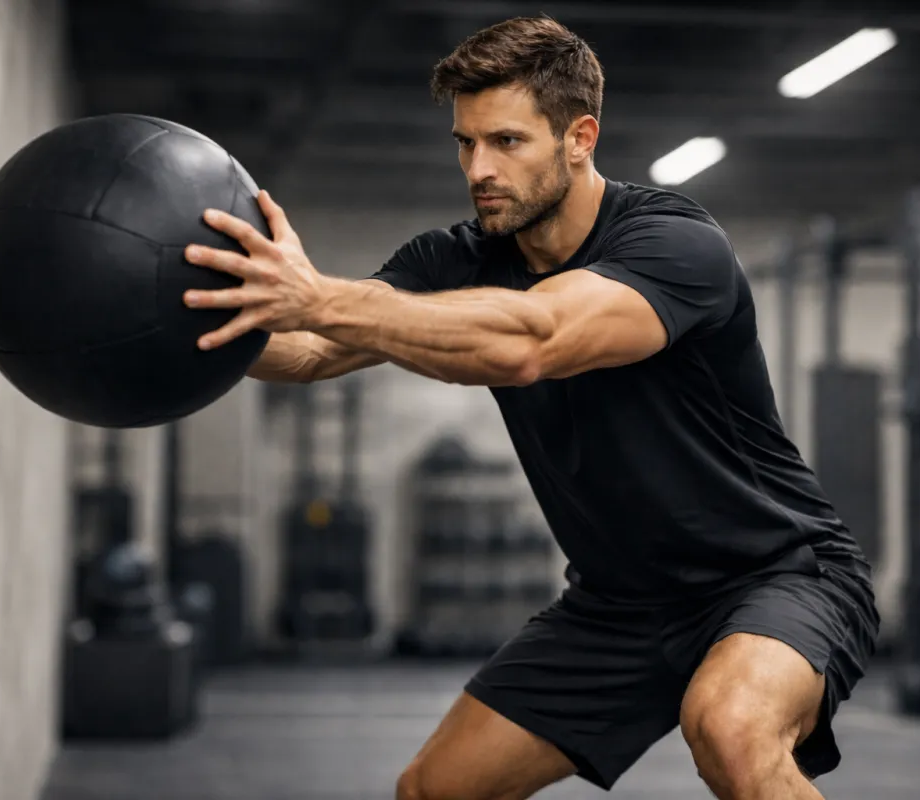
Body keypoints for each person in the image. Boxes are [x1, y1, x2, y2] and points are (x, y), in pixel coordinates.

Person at [181, 15, 880, 800]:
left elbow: (534, 340)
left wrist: (318, 296)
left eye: (507, 142)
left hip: (776, 573)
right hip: (620, 603)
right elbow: (308, 351)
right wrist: (181, 329)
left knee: (730, 727)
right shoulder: (452, 259)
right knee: (434, 791)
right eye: (465, 142)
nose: (478, 167)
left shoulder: (675, 246)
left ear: (579, 138)